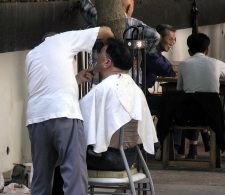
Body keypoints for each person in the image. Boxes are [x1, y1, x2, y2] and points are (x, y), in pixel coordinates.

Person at [25, 26, 114, 195]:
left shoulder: (32, 54)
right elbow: (105, 29)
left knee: (41, 177)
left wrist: (75, 78)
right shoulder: (63, 40)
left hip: (36, 118)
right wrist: (110, 46)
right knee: (74, 174)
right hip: (64, 114)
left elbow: (50, 84)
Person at [79, 38, 157, 169]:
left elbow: (77, 117)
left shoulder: (105, 88)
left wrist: (75, 82)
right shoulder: (134, 88)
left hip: (108, 159)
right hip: (130, 157)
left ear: (106, 62)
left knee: (61, 157)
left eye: (100, 53)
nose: (97, 56)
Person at [76, 0, 160, 53]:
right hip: (127, 65)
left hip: (101, 64)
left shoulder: (101, 17)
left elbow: (86, 6)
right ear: (129, 8)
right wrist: (131, 46)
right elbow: (155, 36)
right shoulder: (133, 24)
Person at [177, 32, 225, 158]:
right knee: (204, 104)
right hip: (212, 117)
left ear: (189, 51)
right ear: (207, 50)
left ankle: (192, 150)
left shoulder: (183, 64)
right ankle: (207, 140)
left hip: (188, 116)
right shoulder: (217, 64)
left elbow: (180, 89)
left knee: (192, 102)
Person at [145, 24, 182, 159]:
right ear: (160, 37)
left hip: (145, 94)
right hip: (141, 97)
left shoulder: (155, 52)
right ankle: (169, 148)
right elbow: (168, 70)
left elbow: (168, 66)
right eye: (170, 39)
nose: (172, 43)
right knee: (173, 105)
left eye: (174, 40)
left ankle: (167, 147)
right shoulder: (151, 53)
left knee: (171, 102)